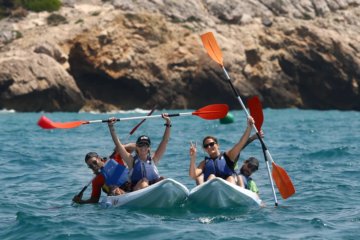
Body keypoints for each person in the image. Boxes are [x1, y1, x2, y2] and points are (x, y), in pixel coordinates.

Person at [108, 114, 171, 191]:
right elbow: (118, 144)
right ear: (137, 147)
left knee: (163, 179)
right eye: (141, 145)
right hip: (137, 188)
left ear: (149, 148)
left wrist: (168, 122)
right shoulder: (131, 161)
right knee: (144, 181)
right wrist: (111, 127)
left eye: (145, 145)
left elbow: (165, 141)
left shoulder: (154, 159)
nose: (143, 148)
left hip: (152, 186)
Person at [189, 116, 255, 185]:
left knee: (231, 178)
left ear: (218, 145)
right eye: (206, 146)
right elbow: (192, 175)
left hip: (228, 187)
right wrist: (193, 157)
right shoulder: (204, 163)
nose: (209, 147)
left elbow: (240, 144)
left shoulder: (228, 156)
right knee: (210, 176)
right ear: (205, 149)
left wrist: (249, 128)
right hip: (211, 189)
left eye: (211, 144)